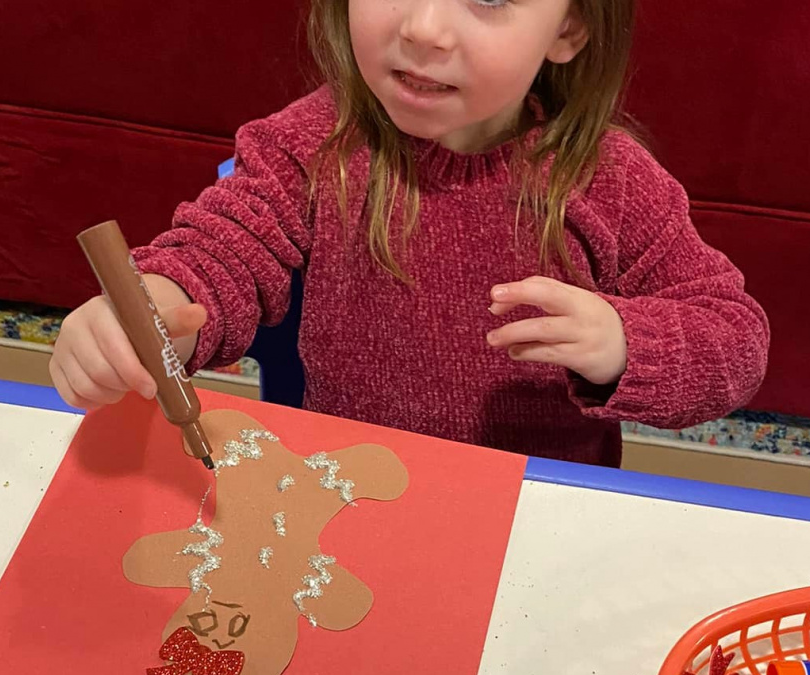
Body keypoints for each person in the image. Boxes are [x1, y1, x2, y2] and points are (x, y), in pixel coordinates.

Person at [50, 0, 770, 465]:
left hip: (535, 516)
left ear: (570, 28)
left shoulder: (608, 178)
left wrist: (624, 343)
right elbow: (221, 251)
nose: (423, 27)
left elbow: (734, 339)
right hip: (347, 493)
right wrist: (146, 307)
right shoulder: (309, 143)